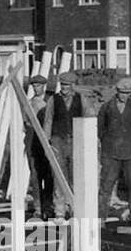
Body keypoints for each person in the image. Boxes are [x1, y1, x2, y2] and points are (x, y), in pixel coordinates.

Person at [96, 76, 131, 221]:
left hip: (130, 153)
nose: (125, 95)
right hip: (111, 153)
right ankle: (101, 216)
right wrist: (107, 142)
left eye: (128, 93)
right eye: (122, 92)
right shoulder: (107, 107)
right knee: (106, 185)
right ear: (117, 92)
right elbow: (100, 128)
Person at [47, 71, 85, 217]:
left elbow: (88, 117)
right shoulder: (53, 100)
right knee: (59, 176)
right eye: (62, 84)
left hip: (76, 140)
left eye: (67, 85)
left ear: (73, 86)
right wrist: (47, 142)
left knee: (76, 175)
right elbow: (48, 120)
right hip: (58, 140)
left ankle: (75, 208)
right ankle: (59, 210)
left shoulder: (80, 99)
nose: (64, 87)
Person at [24, 74, 52, 218]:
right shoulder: (29, 103)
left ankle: (48, 207)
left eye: (39, 86)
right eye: (34, 86)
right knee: (35, 176)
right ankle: (38, 207)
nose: (36, 88)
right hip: (32, 142)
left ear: (44, 86)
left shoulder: (49, 103)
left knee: (49, 176)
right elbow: (26, 124)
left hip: (46, 143)